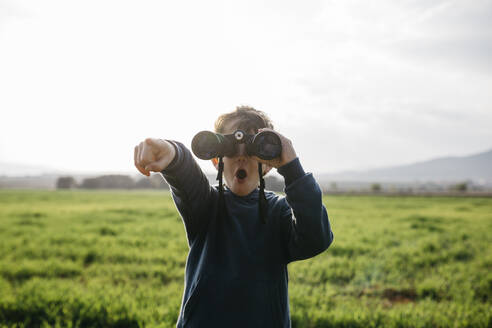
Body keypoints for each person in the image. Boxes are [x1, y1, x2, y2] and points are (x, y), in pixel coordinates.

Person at [134, 106, 334, 328]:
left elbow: (316, 238)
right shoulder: (205, 205)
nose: (240, 158)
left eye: (252, 150)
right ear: (216, 160)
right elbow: (185, 173)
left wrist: (292, 167)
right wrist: (171, 152)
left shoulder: (280, 212)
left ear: (268, 164)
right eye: (230, 149)